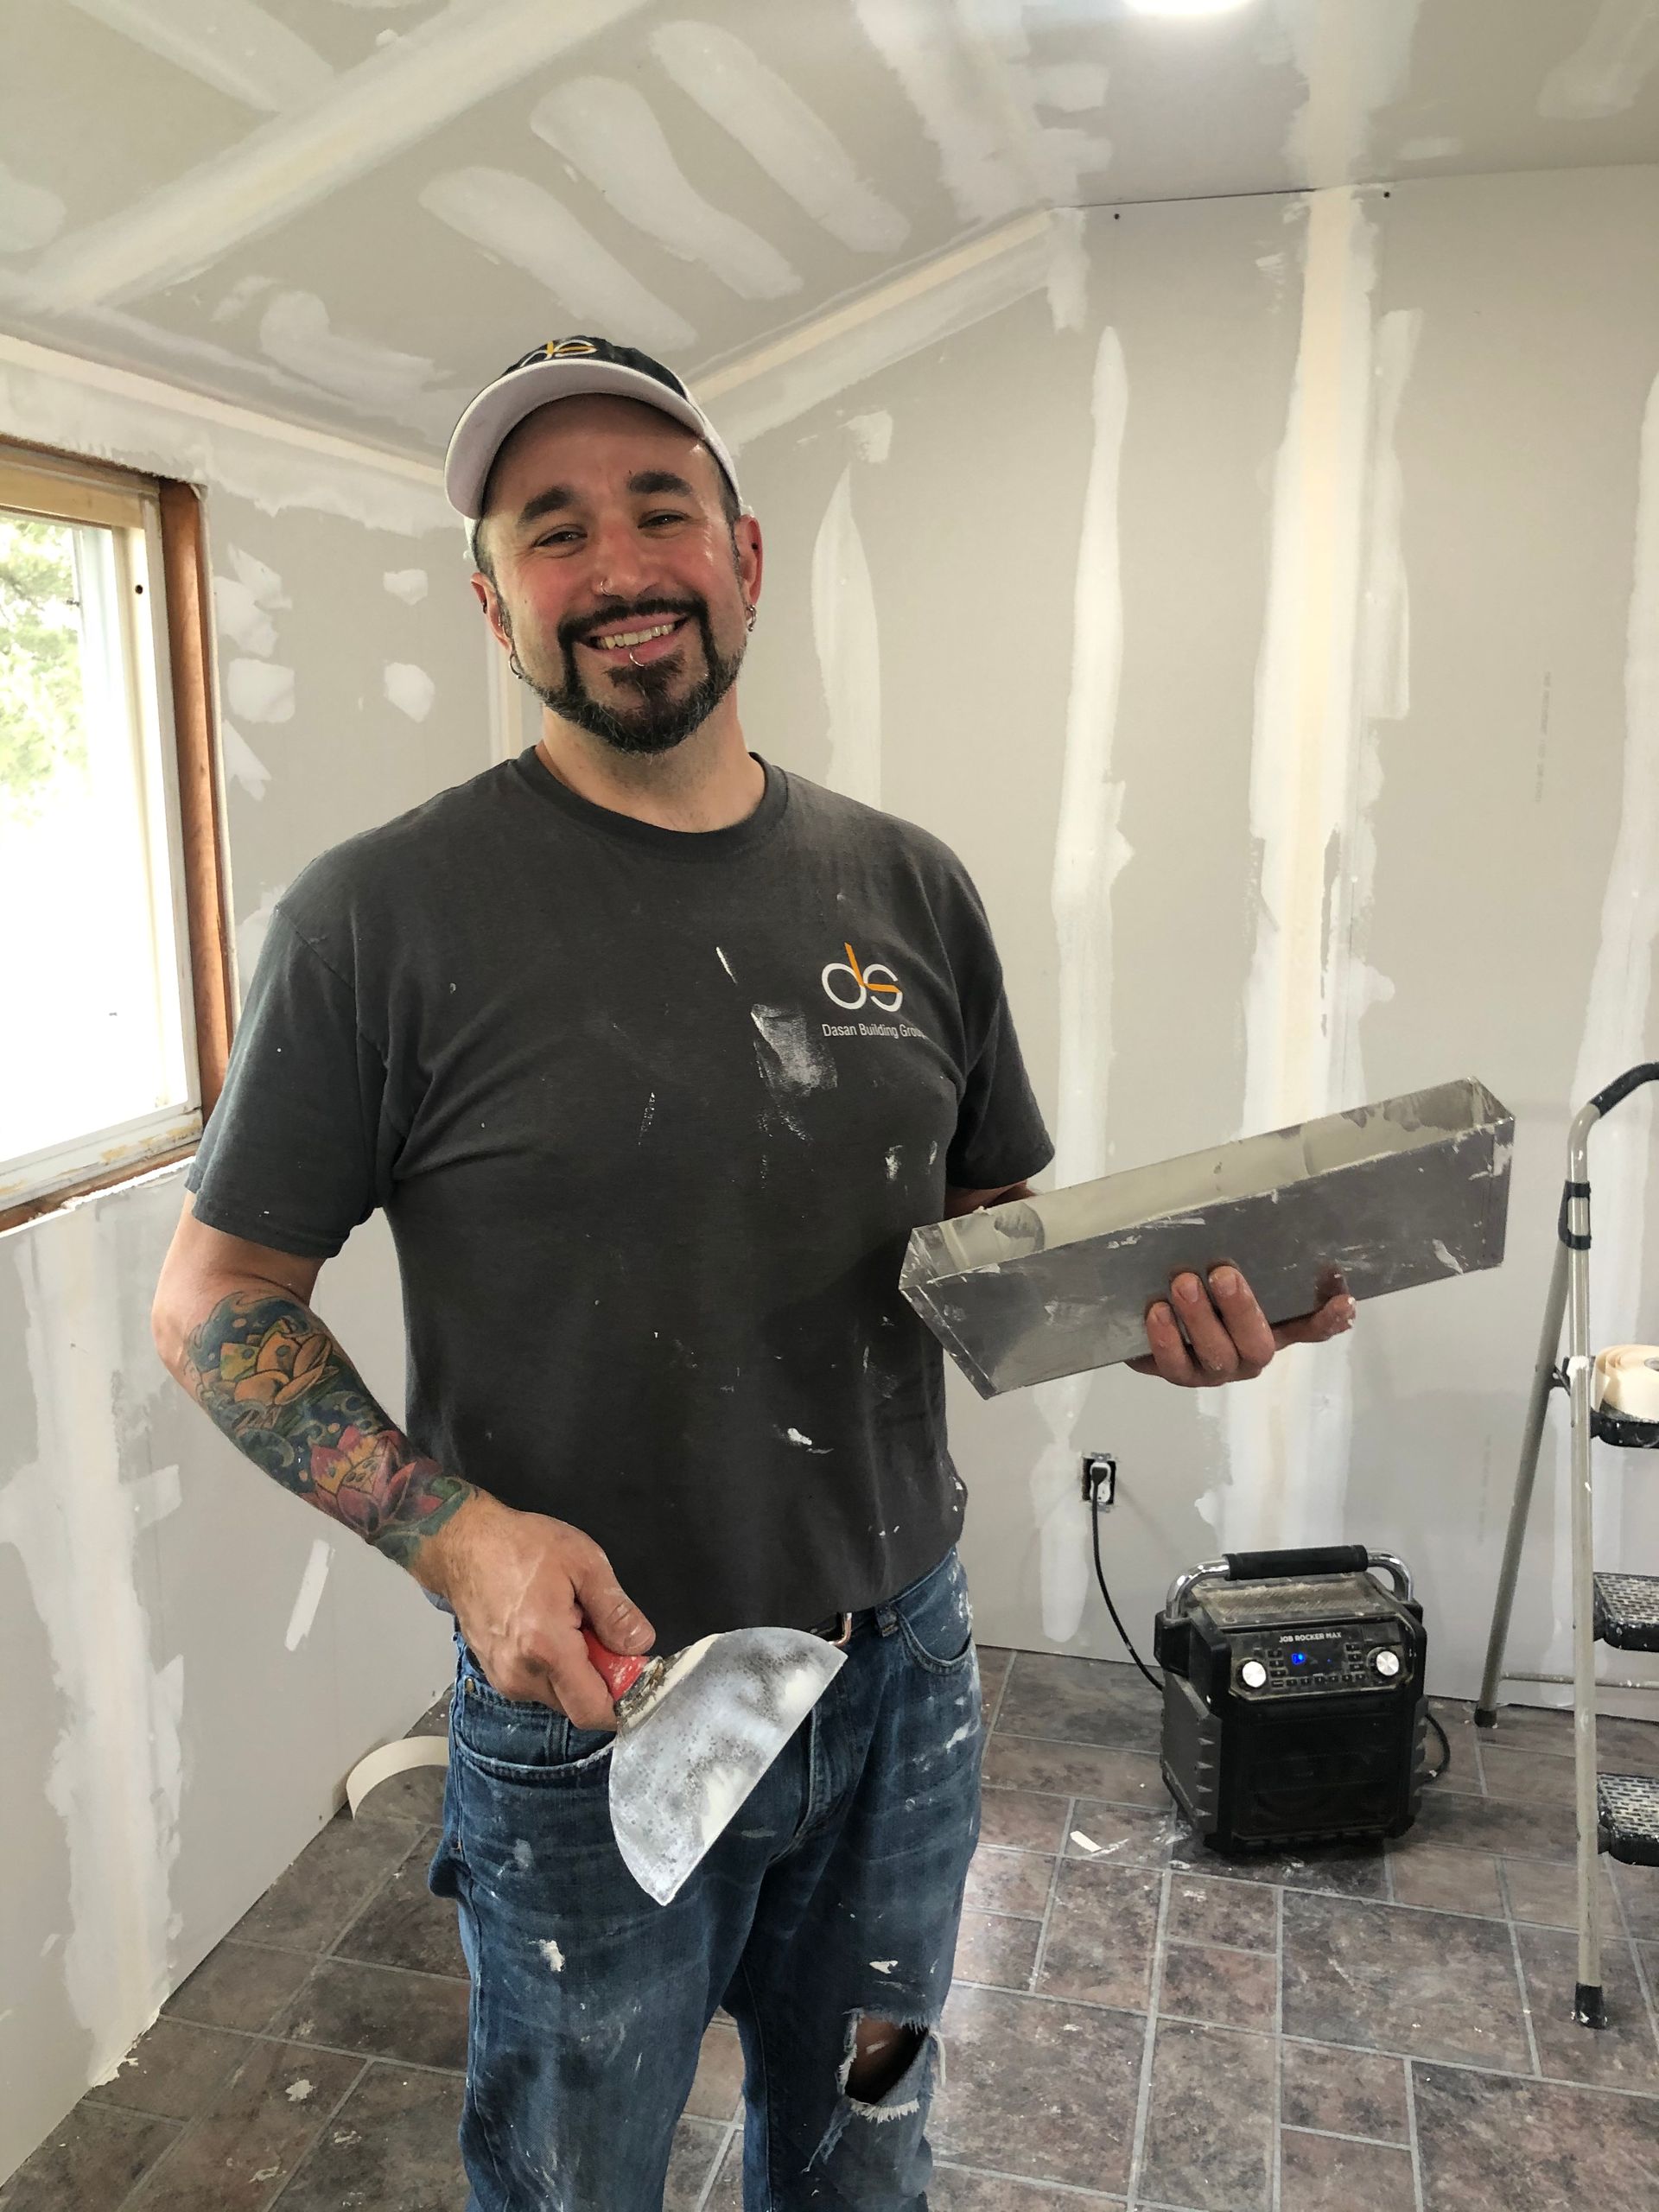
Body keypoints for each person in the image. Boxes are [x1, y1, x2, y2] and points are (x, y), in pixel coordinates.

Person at [151, 335, 1355, 2211]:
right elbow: (214, 1296)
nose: (620, 564)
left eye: (661, 509)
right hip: (593, 1700)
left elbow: (987, 1245)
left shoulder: (910, 888)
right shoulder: (382, 919)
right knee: (575, 2177)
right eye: (555, 532)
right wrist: (463, 1541)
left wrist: (1170, 1313)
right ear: (494, 602)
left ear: (748, 553)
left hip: (900, 1679)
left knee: (868, 2152)